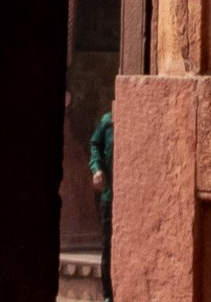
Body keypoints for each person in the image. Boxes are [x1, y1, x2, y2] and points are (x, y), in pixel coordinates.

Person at [88, 103, 115, 301]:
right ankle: (108, 296)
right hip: (110, 196)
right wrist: (97, 168)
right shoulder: (108, 121)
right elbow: (95, 144)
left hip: (130, 199)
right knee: (108, 246)